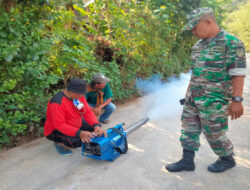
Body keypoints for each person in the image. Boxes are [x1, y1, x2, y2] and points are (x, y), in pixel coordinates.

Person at [165, 7, 246, 173]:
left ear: (208, 22)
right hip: (194, 97)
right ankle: (187, 161)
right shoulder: (197, 46)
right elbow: (195, 73)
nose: (193, 31)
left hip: (215, 100)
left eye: (195, 27)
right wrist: (187, 94)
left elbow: (238, 74)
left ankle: (227, 158)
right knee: (188, 129)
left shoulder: (232, 43)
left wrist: (237, 100)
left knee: (214, 133)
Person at [44, 78, 107, 156]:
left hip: (75, 123)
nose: (83, 96)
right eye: (81, 94)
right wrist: (80, 133)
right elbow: (59, 125)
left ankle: (81, 132)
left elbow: (87, 111)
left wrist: (96, 125)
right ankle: (59, 143)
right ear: (72, 92)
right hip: (55, 130)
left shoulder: (78, 96)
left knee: (95, 129)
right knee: (77, 143)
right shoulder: (57, 102)